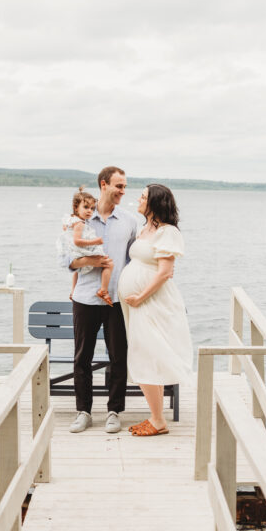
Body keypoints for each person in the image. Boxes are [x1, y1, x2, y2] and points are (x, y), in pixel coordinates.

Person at [118, 184, 192, 436]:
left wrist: (140, 296)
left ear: (155, 203)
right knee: (148, 355)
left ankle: (158, 420)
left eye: (143, 197)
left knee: (145, 354)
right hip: (139, 304)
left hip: (152, 302)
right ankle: (157, 418)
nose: (138, 199)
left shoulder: (167, 232)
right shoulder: (145, 229)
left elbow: (164, 272)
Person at [68, 166, 137, 435]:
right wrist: (91, 260)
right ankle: (83, 411)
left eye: (125, 187)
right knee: (82, 358)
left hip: (117, 301)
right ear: (104, 184)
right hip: (85, 298)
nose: (122, 191)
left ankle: (114, 411)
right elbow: (66, 260)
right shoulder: (81, 219)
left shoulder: (130, 221)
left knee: (118, 357)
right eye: (118, 186)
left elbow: (135, 261)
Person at [61, 187, 113, 306]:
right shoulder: (80, 223)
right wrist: (95, 241)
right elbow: (77, 241)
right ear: (76, 207)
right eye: (86, 207)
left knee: (78, 272)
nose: (89, 211)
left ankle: (73, 291)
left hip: (76, 252)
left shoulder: (72, 220)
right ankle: (103, 291)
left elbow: (66, 230)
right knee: (109, 263)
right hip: (80, 250)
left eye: (92, 208)